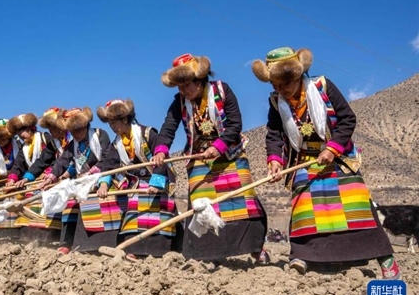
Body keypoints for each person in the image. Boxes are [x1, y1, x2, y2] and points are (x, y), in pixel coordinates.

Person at [251, 46, 400, 278]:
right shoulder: (276, 102)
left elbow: (348, 119)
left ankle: (385, 259)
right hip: (303, 160)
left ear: (298, 76)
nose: (281, 90)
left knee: (356, 205)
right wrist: (275, 161)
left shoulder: (323, 87)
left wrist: (332, 148)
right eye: (275, 85)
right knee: (305, 208)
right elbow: (274, 135)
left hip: (337, 157)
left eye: (285, 84)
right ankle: (304, 257)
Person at [152, 53, 269, 264]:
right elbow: (168, 128)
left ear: (199, 80)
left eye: (186, 85)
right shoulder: (179, 102)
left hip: (230, 154)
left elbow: (235, 123)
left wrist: (218, 147)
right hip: (199, 157)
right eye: (179, 86)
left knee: (244, 200)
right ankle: (205, 253)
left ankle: (255, 248)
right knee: (201, 205)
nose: (183, 90)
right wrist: (161, 150)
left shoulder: (222, 91)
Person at [94, 99, 179, 258]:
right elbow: (108, 167)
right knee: (134, 214)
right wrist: (104, 184)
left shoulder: (148, 133)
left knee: (160, 215)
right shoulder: (116, 144)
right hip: (138, 185)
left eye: (114, 122)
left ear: (125, 119)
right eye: (109, 123)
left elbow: (162, 158)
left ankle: (159, 250)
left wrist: (156, 183)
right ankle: (134, 250)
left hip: (159, 180)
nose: (112, 127)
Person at [41, 107, 112, 253]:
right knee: (69, 203)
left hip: (102, 176)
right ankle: (66, 243)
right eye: (72, 131)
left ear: (86, 126)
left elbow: (108, 158)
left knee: (94, 200)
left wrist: (91, 173)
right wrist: (51, 177)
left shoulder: (100, 135)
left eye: (78, 130)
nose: (75, 135)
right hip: (81, 181)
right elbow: (63, 161)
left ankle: (91, 244)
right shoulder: (73, 144)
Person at [0, 118, 22, 185]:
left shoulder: (18, 145)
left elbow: (21, 163)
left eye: (3, 139)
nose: (0, 141)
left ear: (9, 138)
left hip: (17, 177)